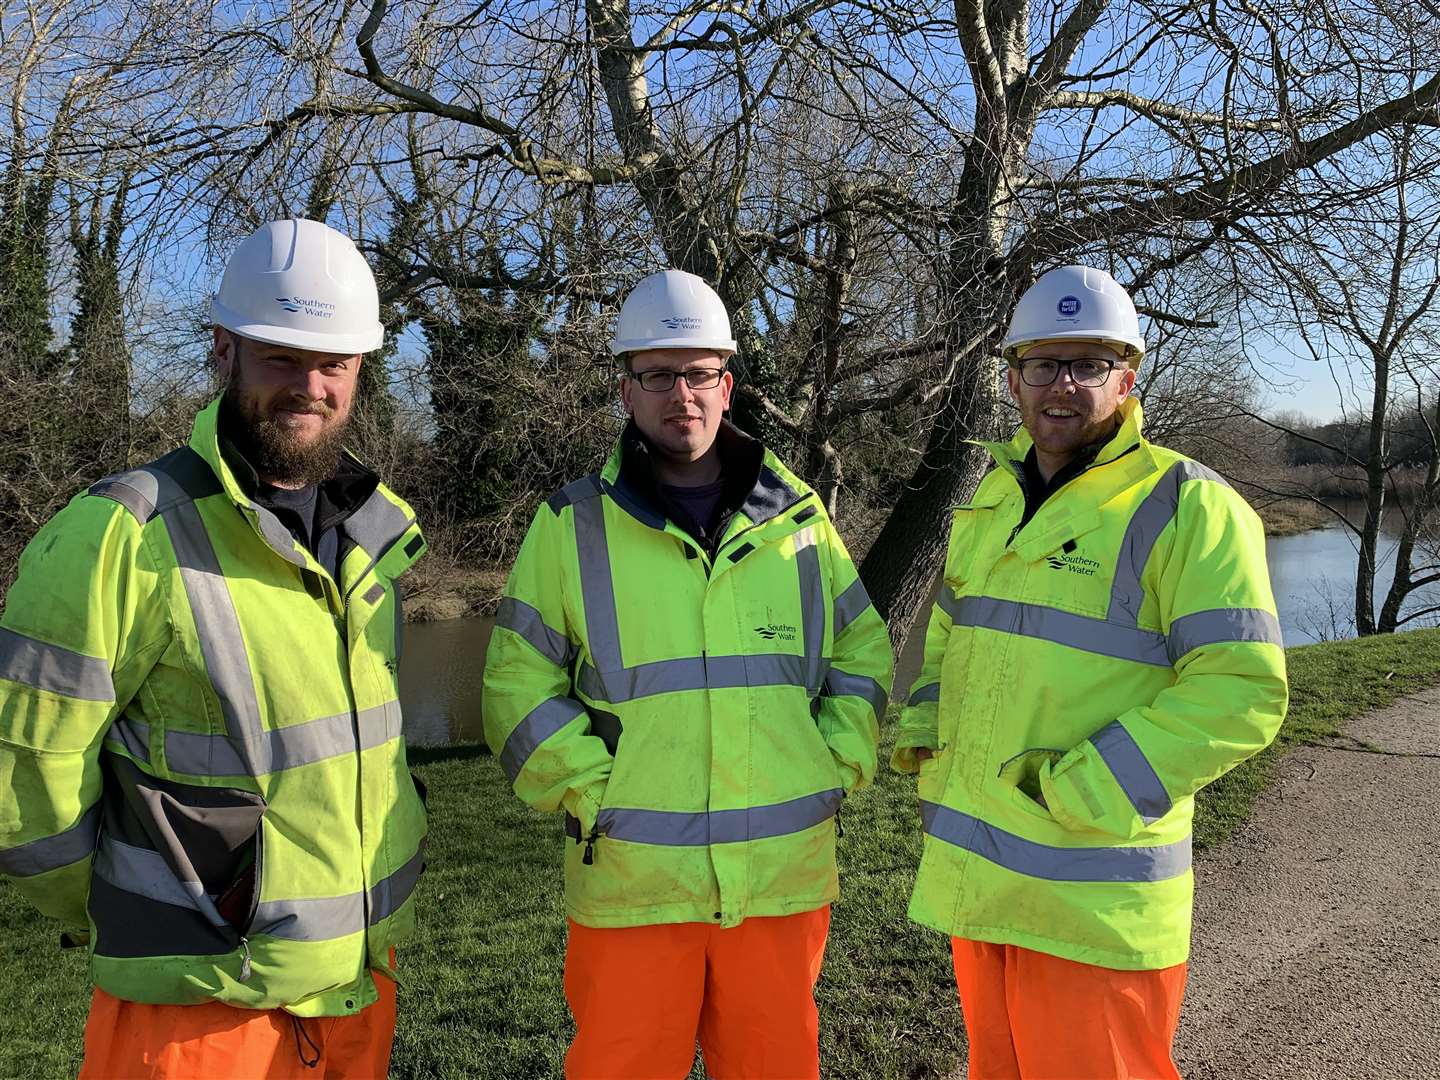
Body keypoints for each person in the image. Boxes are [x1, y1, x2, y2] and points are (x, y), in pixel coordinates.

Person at [0, 218, 428, 1078]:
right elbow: (23, 778)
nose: (309, 385)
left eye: (333, 363)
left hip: (352, 987)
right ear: (224, 350)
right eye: (281, 357)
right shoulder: (119, 534)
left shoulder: (368, 542)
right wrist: (133, 910)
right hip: (194, 1012)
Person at [483, 268, 894, 1079]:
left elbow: (862, 657)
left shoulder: (801, 520)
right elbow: (514, 685)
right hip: (633, 883)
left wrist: (833, 767)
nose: (683, 394)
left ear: (728, 383)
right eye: (659, 375)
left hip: (779, 884)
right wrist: (594, 792)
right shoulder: (571, 525)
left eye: (700, 373)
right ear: (627, 389)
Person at [893, 265, 1289, 1079]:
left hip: (1094, 905)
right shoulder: (991, 502)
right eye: (1044, 364)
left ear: (1128, 378)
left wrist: (1087, 787)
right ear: (1012, 379)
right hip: (986, 889)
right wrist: (928, 733)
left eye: (1089, 365)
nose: (1063, 385)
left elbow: (1242, 689)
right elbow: (947, 635)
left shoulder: (1188, 505)